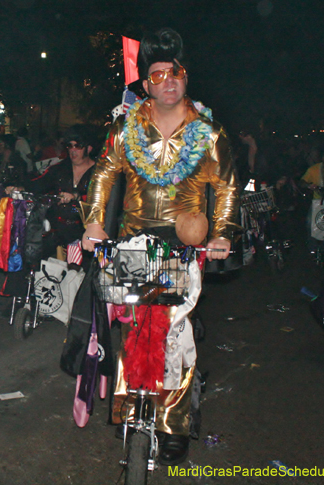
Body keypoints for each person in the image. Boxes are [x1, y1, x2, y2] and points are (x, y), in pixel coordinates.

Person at [80, 28, 239, 466]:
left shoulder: (208, 131)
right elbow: (103, 174)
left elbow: (226, 186)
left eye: (177, 72)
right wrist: (93, 222)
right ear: (146, 84)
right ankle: (130, 409)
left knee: (174, 337)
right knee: (133, 331)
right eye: (158, 75)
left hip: (183, 247)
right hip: (132, 243)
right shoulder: (126, 127)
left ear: (186, 76)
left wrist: (223, 233)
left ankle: (173, 424)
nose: (169, 81)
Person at [6, 125, 96, 254]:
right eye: (70, 146)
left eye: (78, 146)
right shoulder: (60, 168)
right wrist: (19, 188)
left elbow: (104, 201)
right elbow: (38, 183)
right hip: (58, 231)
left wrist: (77, 196)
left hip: (87, 232)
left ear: (89, 148)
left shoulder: (99, 173)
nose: (73, 150)